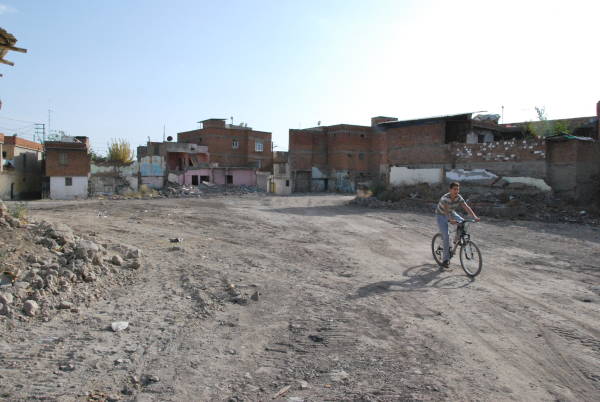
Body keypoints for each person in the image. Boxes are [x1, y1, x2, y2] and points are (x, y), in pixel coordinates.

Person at [435, 182, 479, 268]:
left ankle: (456, 241)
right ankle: (445, 260)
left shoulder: (458, 197)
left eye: (458, 189)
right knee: (446, 236)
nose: (456, 191)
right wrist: (450, 220)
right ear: (450, 190)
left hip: (451, 212)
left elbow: (466, 207)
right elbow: (446, 211)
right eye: (454, 189)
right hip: (441, 215)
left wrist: (475, 217)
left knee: (463, 223)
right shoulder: (445, 198)